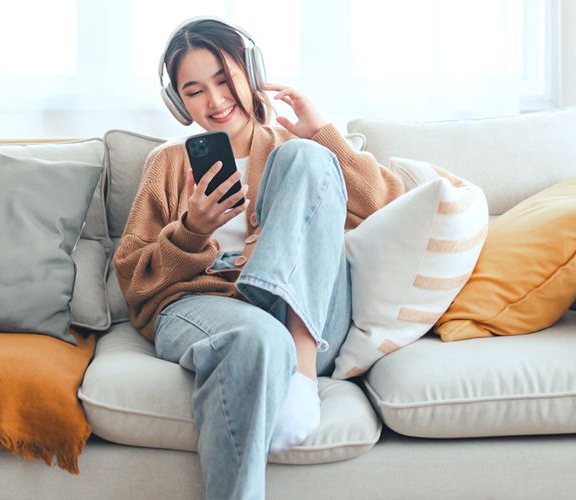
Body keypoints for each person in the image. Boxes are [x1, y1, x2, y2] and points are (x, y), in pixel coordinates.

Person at [113, 17, 405, 500]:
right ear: (179, 103)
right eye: (194, 91)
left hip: (302, 317)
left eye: (224, 79)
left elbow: (389, 208)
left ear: (250, 72)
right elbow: (133, 277)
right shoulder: (165, 163)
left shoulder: (300, 151)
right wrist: (191, 231)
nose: (215, 100)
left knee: (306, 160)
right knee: (258, 336)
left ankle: (301, 376)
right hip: (207, 307)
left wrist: (322, 135)